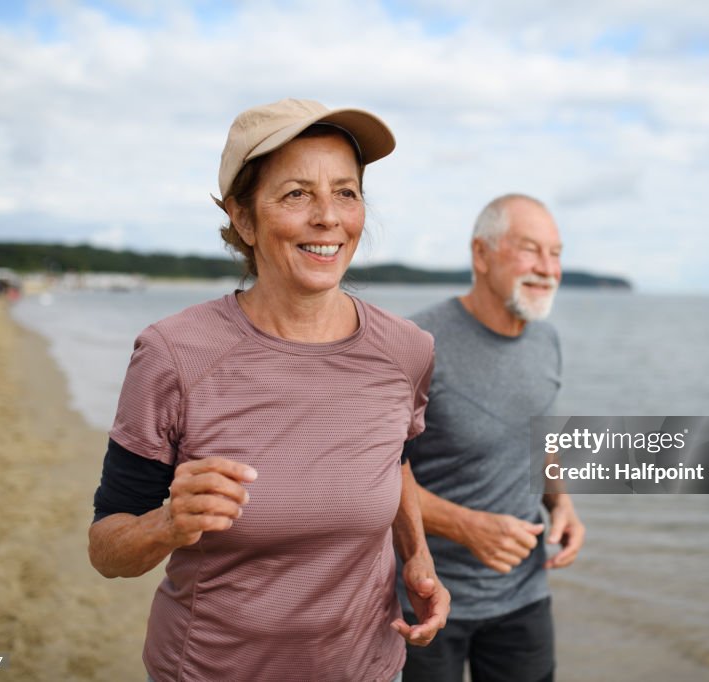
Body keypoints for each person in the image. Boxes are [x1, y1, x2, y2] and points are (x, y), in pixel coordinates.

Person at [88, 98, 449, 682]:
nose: (328, 217)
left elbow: (395, 458)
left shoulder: (407, 350)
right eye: (297, 193)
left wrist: (418, 556)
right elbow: (105, 549)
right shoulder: (174, 354)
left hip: (370, 669)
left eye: (346, 192)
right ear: (245, 219)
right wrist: (168, 524)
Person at [398, 194, 585, 682]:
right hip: (426, 596)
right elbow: (372, 474)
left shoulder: (548, 340)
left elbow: (537, 437)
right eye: (530, 250)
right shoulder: (417, 344)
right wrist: (465, 526)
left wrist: (560, 503)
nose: (548, 268)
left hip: (524, 597)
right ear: (480, 254)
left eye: (557, 253)